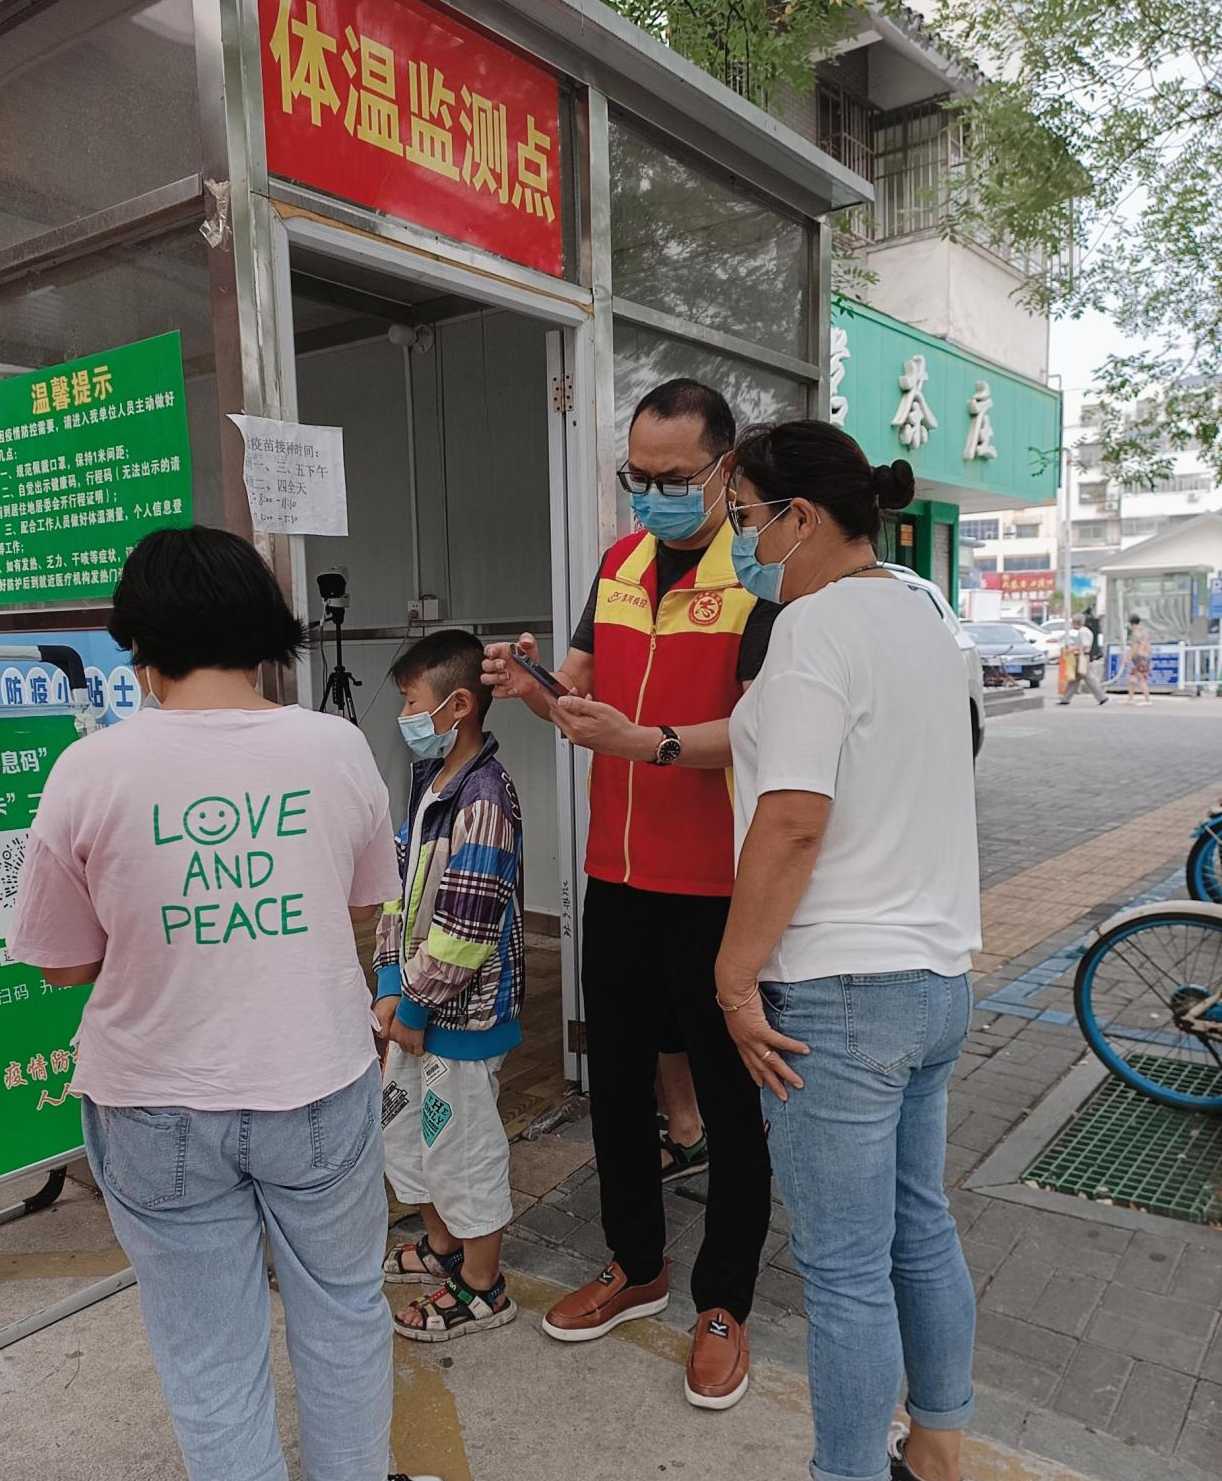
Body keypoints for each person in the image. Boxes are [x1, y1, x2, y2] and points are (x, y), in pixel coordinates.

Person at [7, 526, 437, 1481]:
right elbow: (361, 906)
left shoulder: (90, 769)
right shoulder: (335, 748)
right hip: (318, 1084)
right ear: (264, 632)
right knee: (343, 1312)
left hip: (152, 1099)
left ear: (139, 646)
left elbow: (63, 969)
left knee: (209, 1355)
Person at [483, 379, 776, 1409]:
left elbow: (760, 733)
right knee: (615, 1088)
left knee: (732, 1107)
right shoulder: (618, 563)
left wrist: (642, 741)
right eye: (635, 478)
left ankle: (723, 1299)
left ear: (726, 468)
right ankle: (635, 1263)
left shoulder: (762, 580)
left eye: (671, 479)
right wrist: (534, 688)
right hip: (615, 874)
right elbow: (580, 693)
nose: (648, 495)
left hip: (719, 887)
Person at [715, 422, 979, 1481]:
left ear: (800, 519)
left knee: (841, 1271)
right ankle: (941, 1445)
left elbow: (790, 817)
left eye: (742, 521)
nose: (739, 544)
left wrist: (735, 976)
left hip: (835, 991)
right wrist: (641, 738)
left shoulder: (810, 629)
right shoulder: (923, 613)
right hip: (935, 977)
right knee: (919, 1224)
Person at [373, 630, 525, 1343]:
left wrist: (413, 1001)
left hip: (459, 1020)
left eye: (411, 702)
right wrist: (384, 978)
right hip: (415, 1010)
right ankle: (442, 1248)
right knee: (409, 1134)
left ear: (457, 705)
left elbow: (465, 929)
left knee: (462, 1150)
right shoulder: (428, 783)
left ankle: (482, 1285)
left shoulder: (484, 798)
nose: (403, 714)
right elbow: (398, 890)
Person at [1058, 614, 1109, 706]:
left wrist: (1073, 649)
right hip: (1083, 656)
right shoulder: (1086, 631)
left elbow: (1086, 646)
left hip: (1081, 657)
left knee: (1088, 678)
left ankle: (1102, 697)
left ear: (1075, 622)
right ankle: (1065, 698)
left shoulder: (1082, 632)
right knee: (1075, 678)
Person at [1125, 614, 1153, 704]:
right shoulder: (1144, 632)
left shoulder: (1136, 633)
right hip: (1144, 657)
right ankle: (1130, 698)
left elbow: (1135, 647)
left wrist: (1128, 657)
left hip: (1140, 658)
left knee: (1141, 679)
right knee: (1132, 679)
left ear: (1132, 624)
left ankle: (1147, 700)